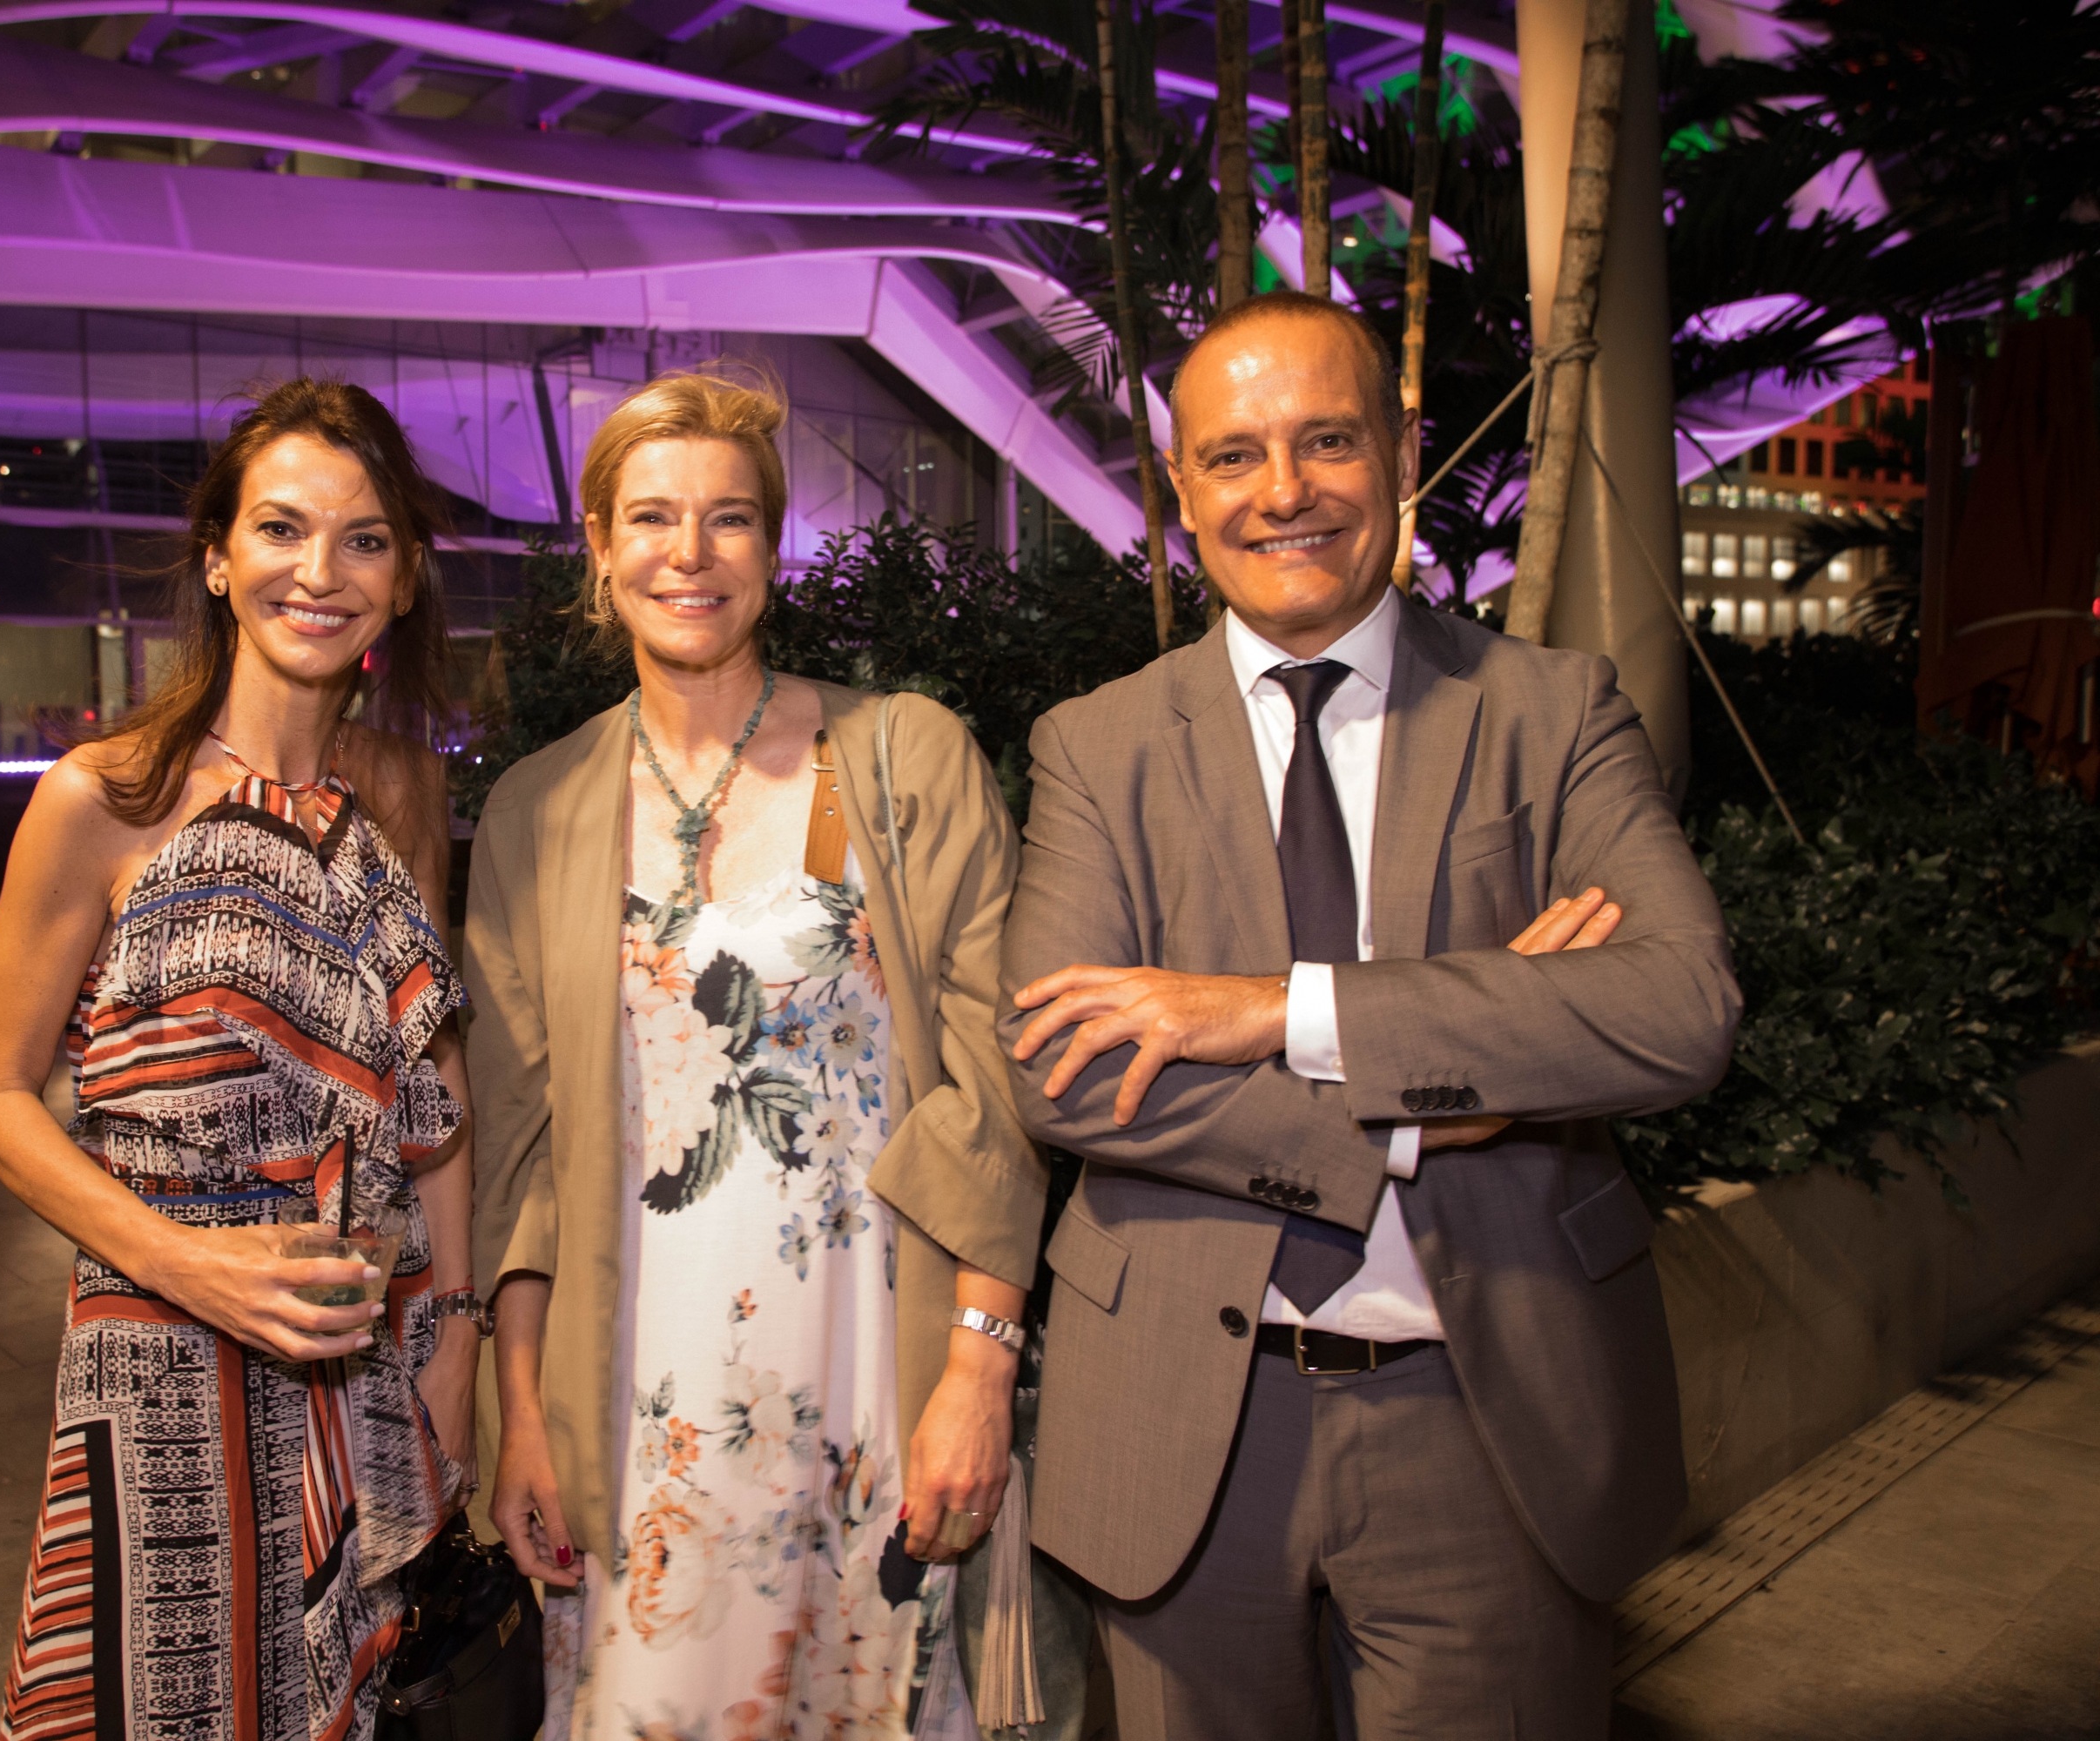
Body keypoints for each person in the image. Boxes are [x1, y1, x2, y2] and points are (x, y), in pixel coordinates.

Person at [1000, 292, 1741, 1738]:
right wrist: (1449, 1093)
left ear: (1402, 454)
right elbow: (1068, 1078)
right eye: (1234, 457)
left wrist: (1281, 1012)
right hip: (1181, 1424)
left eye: (1327, 440)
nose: (1284, 492)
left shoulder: (1553, 712)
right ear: (1182, 495)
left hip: (1489, 1412)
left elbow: (1673, 1008)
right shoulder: (1095, 747)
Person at [464, 370, 1045, 1739]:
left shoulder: (894, 761)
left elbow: (994, 1093)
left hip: (869, 1385)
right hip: (637, 1398)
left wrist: (981, 1366)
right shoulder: (539, 810)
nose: (689, 552)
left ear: (771, 548)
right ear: (599, 547)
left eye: (729, 519)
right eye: (652, 517)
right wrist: (525, 1418)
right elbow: (524, 1156)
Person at [0, 379, 481, 1740]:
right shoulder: (105, 796)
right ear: (217, 556)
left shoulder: (408, 793)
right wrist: (183, 1262)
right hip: (165, 1347)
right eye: (281, 530)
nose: (321, 573)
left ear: (407, 578)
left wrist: (459, 1343)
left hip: (369, 1345)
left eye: (366, 540)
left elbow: (439, 1105)